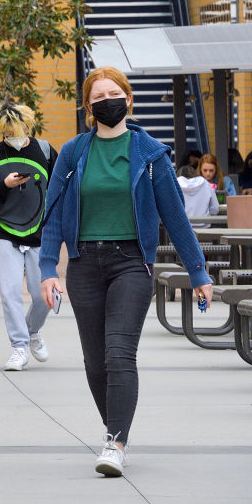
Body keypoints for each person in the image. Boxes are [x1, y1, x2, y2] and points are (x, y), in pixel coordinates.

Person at [39, 66, 212, 478]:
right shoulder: (74, 152)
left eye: (114, 93)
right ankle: (114, 425)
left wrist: (199, 272)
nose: (107, 101)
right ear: (88, 107)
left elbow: (175, 216)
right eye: (98, 97)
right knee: (95, 363)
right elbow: (54, 213)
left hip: (132, 263)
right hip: (83, 264)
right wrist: (48, 267)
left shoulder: (150, 154)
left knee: (119, 354)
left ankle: (115, 441)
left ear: (129, 99)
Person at [0, 102, 57, 371]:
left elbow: (60, 189)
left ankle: (33, 331)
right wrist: (3, 185)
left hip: (39, 234)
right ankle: (19, 347)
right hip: (4, 233)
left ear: (27, 126)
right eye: (7, 133)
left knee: (45, 295)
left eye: (16, 131)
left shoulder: (44, 151)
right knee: (9, 294)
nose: (13, 137)